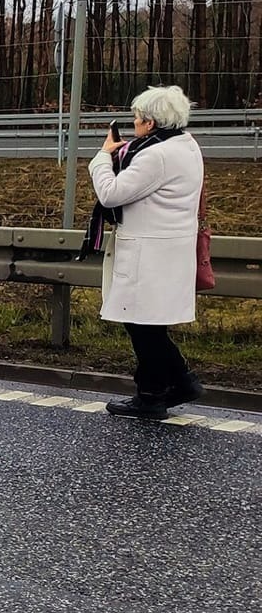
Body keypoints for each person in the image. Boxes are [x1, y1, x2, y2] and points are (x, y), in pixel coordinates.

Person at [88, 85, 205, 419]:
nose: (134, 123)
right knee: (148, 325)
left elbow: (111, 193)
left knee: (141, 325)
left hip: (148, 252)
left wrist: (102, 157)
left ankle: (165, 389)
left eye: (137, 118)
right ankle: (163, 388)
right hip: (169, 248)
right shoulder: (186, 145)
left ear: (151, 123)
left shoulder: (155, 156)